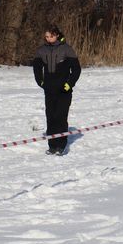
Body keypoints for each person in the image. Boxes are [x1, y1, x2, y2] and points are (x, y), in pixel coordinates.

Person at [32, 25, 81, 155]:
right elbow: (36, 68)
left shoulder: (67, 49)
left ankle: (61, 145)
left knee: (60, 117)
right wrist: (40, 81)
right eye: (46, 36)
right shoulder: (41, 50)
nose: (49, 39)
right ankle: (52, 145)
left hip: (64, 91)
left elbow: (76, 69)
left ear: (57, 35)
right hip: (49, 90)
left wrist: (69, 84)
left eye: (51, 36)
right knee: (51, 117)